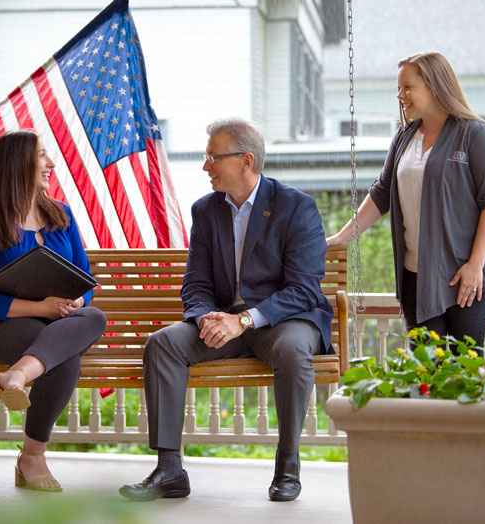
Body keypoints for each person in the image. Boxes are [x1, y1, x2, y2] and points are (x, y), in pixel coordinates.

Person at [119, 117, 333, 502]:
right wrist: (207, 317)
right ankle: (169, 469)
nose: (206, 166)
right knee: (163, 343)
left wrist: (244, 320)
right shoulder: (206, 211)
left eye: (212, 157)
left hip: (283, 321)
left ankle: (287, 465)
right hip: (224, 323)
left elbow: (304, 290)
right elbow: (195, 284)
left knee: (291, 350)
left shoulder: (296, 207)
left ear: (245, 161)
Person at [327, 51, 485, 352]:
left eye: (407, 87)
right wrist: (342, 238)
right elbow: (382, 192)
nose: (400, 96)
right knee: (426, 371)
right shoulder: (404, 137)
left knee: (461, 370)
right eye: (399, 88)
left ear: (434, 86)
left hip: (464, 275)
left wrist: (475, 266)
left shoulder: (477, 135)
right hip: (415, 274)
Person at [0, 130, 107, 491]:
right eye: (42, 156)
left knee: (94, 316)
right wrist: (40, 306)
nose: (51, 164)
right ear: (18, 165)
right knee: (64, 357)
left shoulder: (61, 214)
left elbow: (85, 280)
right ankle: (32, 457)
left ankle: (13, 377)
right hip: (2, 327)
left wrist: (78, 301)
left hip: (58, 325)